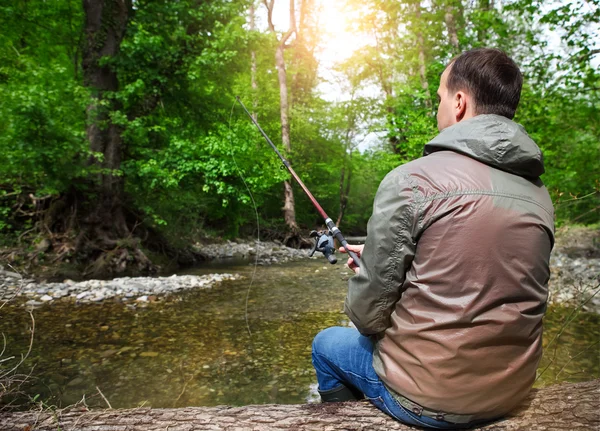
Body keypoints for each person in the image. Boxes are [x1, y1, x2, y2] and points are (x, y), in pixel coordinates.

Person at [311, 48, 554, 429]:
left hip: (430, 400)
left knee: (325, 344)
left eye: (440, 97)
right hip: (513, 390)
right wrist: (379, 258)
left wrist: (372, 270)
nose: (437, 107)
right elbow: (483, 275)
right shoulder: (538, 193)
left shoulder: (412, 180)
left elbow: (366, 316)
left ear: (459, 103)